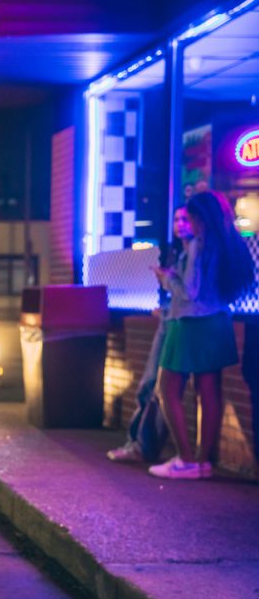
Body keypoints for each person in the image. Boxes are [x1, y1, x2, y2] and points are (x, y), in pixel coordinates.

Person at [149, 190, 255, 479]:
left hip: (191, 324)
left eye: (191, 217)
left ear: (200, 218)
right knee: (209, 392)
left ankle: (185, 458)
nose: (188, 223)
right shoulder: (228, 244)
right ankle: (202, 461)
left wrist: (167, 278)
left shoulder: (199, 245)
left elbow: (190, 291)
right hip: (217, 322)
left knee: (167, 388)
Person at [106, 207, 192, 463]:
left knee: (160, 387)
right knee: (149, 385)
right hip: (169, 319)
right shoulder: (177, 251)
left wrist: (166, 279)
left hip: (182, 325)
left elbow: (188, 292)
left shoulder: (196, 253)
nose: (180, 224)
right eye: (176, 219)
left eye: (186, 219)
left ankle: (147, 447)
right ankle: (141, 445)